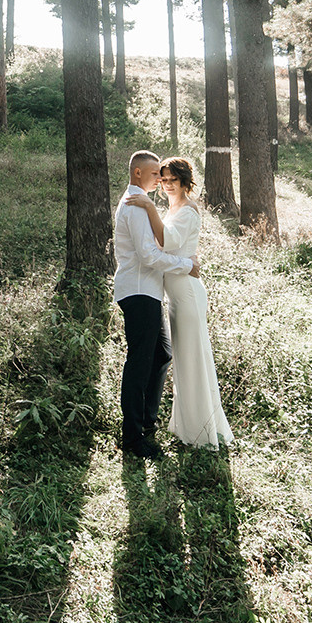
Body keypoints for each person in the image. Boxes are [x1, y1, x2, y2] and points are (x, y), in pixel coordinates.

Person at [127, 157, 231, 448]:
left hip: (186, 292)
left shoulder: (186, 210)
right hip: (175, 294)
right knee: (184, 362)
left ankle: (201, 433)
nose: (168, 184)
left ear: (185, 182)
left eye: (174, 179)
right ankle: (188, 427)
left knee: (192, 360)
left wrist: (147, 206)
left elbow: (167, 240)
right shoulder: (172, 208)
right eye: (164, 179)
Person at [113, 150, 197, 460]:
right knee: (139, 362)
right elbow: (149, 256)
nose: (159, 180)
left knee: (161, 354)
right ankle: (133, 438)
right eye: (154, 175)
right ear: (137, 174)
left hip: (147, 290)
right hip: (137, 290)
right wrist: (186, 264)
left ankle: (146, 423)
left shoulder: (141, 204)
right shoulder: (134, 205)